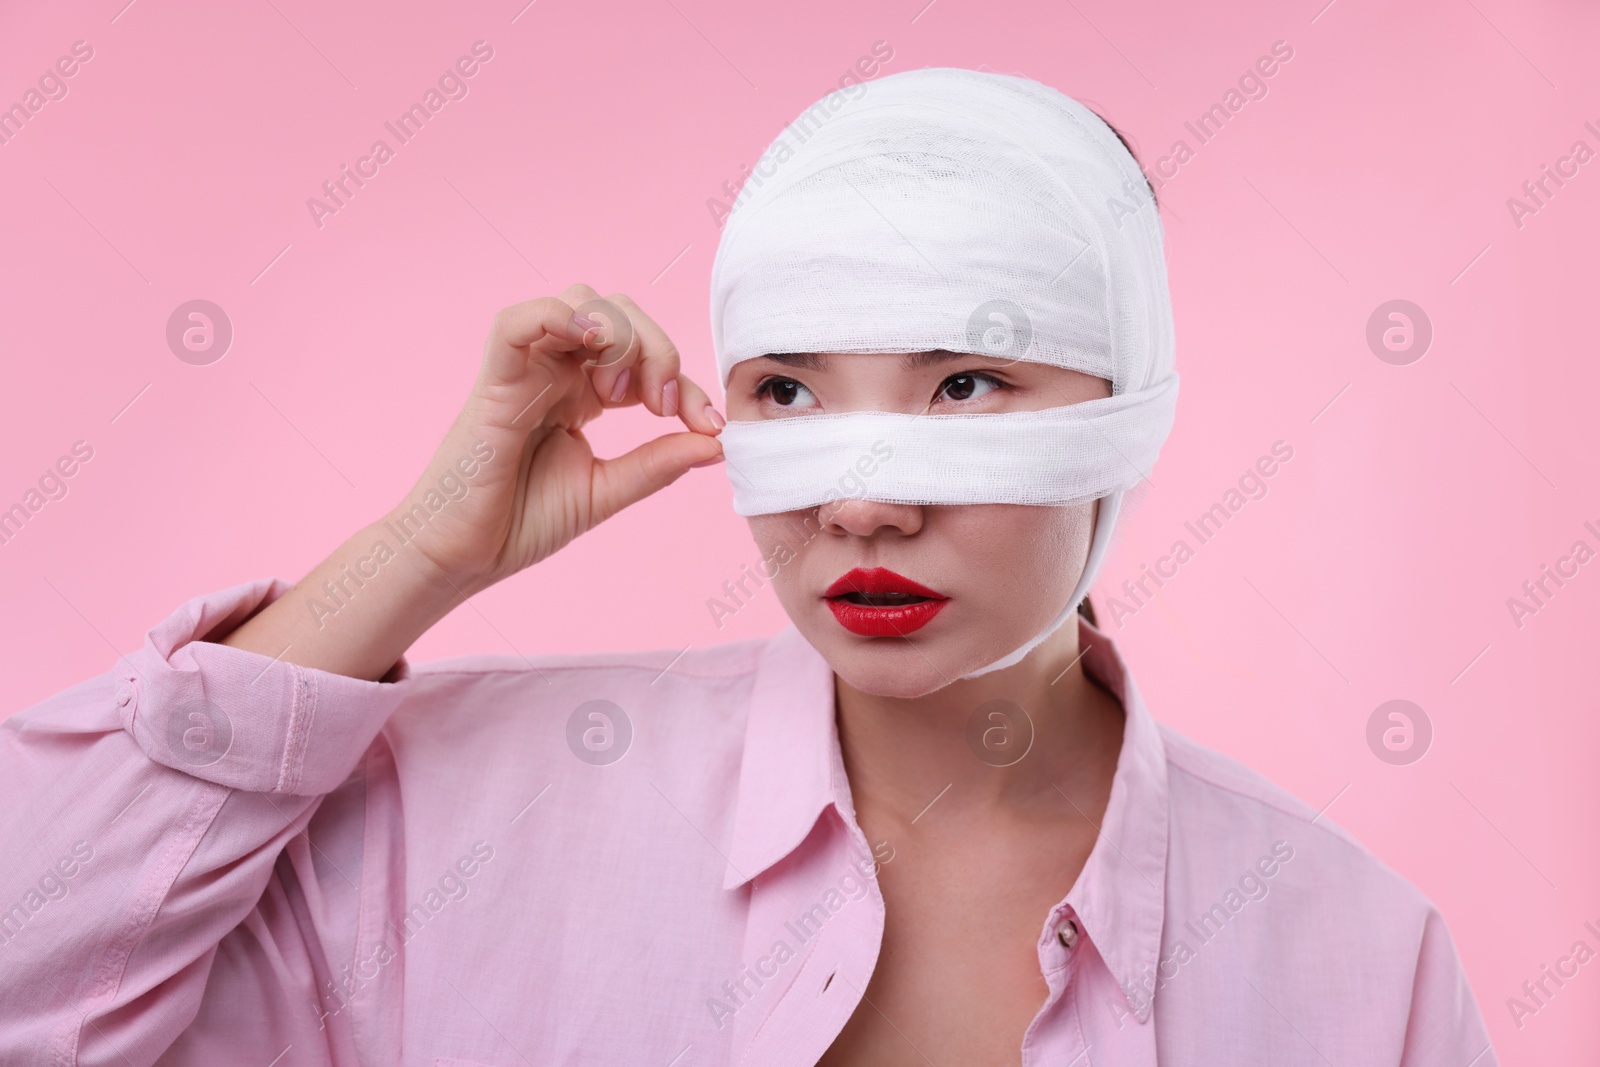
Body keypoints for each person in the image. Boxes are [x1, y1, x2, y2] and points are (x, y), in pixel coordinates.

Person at [0, 68, 1494, 1066]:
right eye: (788, 392)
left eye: (965, 387)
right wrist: (417, 553)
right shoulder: (441, 818)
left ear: (1125, 410)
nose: (863, 507)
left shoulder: (1356, 963)